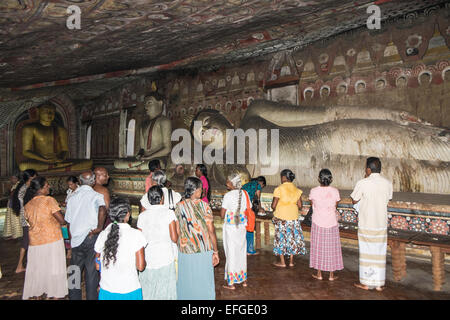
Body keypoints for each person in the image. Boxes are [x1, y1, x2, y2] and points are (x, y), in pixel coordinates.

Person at [351, 157, 393, 292]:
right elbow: (387, 199)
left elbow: (354, 200)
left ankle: (367, 283)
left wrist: (365, 178)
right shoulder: (387, 183)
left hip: (367, 223)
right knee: (379, 253)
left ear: (368, 169)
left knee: (366, 253)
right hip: (380, 223)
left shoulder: (363, 182)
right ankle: (379, 284)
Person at [22, 177, 68, 299]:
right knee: (54, 267)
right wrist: (65, 221)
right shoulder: (49, 200)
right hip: (52, 238)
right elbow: (61, 220)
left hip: (35, 241)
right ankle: (54, 294)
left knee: (38, 269)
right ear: (41, 188)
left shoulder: (28, 204)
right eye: (47, 186)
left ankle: (38, 294)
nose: (49, 187)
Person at [175, 177, 220, 300]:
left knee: (186, 279)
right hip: (203, 248)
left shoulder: (179, 206)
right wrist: (215, 251)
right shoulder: (204, 206)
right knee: (203, 279)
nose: (202, 191)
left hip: (185, 249)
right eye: (201, 189)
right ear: (195, 190)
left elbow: (178, 229)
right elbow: (210, 230)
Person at [65, 171, 107, 300]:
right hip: (91, 237)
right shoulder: (96, 196)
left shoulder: (72, 197)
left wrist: (70, 241)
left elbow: (68, 221)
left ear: (79, 181)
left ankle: (73, 297)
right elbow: (103, 209)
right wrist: (99, 228)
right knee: (91, 272)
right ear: (93, 181)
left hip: (76, 238)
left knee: (74, 271)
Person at [94, 197, 147, 300]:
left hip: (107, 289)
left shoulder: (103, 234)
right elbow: (140, 266)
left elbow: (97, 265)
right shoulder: (136, 235)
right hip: (130, 289)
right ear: (128, 214)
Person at [18, 104, 92, 172]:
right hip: (41, 161)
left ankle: (54, 168)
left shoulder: (61, 129)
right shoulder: (30, 128)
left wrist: (60, 159)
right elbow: (26, 151)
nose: (49, 114)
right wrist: (45, 159)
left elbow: (65, 150)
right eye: (46, 111)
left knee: (89, 162)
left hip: (57, 161)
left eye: (52, 112)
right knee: (23, 166)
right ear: (38, 111)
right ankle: (60, 168)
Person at [138, 186, 178, 299]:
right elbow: (174, 238)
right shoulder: (169, 214)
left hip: (148, 256)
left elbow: (139, 239)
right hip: (165, 256)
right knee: (165, 289)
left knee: (148, 288)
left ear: (149, 200)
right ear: (162, 198)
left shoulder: (142, 216)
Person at [114, 93, 172, 171]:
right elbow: (142, 148)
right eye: (145, 104)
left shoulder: (164, 121)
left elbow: (167, 149)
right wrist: (139, 155)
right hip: (144, 159)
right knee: (117, 163)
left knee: (154, 164)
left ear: (160, 103)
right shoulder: (143, 125)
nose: (146, 106)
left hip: (157, 159)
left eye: (149, 103)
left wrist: (150, 157)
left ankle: (134, 167)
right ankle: (136, 166)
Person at [308, 169, 344, 281]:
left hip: (317, 222)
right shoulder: (335, 191)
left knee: (318, 247)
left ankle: (319, 274)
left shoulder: (313, 191)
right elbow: (335, 205)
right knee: (331, 248)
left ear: (319, 179)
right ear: (331, 179)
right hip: (331, 222)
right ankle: (331, 275)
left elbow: (312, 204)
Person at [271, 169, 306, 268]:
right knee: (292, 239)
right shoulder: (297, 190)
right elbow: (300, 206)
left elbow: (273, 206)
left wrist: (274, 206)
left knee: (281, 239)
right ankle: (291, 261)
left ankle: (282, 262)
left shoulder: (279, 189)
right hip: (293, 218)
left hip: (281, 218)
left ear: (283, 177)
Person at [220, 173, 249, 290]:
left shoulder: (228, 196)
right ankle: (244, 280)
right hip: (241, 226)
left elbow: (222, 214)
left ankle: (231, 283)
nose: (226, 183)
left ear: (232, 183)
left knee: (231, 253)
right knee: (241, 252)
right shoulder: (245, 194)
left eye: (227, 181)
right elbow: (247, 209)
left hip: (231, 227)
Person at [11, 169, 37, 273]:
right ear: (31, 178)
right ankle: (19, 265)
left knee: (28, 240)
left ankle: (29, 263)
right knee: (26, 241)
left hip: (25, 217)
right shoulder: (27, 189)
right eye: (35, 177)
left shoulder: (22, 187)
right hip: (27, 218)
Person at [242, 176, 266, 255]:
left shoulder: (247, 184)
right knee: (250, 227)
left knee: (244, 228)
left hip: (241, 208)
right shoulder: (257, 185)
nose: (261, 188)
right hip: (248, 208)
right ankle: (250, 250)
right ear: (261, 183)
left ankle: (244, 249)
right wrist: (260, 208)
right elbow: (258, 199)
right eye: (263, 186)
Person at [2, 174, 22, 240]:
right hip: (12, 204)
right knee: (12, 219)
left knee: (15, 220)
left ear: (17, 179)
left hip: (14, 205)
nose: (11, 180)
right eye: (11, 178)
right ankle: (13, 234)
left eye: (13, 178)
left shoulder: (18, 185)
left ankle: (17, 234)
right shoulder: (15, 185)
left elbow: (13, 195)